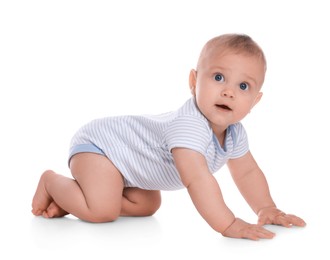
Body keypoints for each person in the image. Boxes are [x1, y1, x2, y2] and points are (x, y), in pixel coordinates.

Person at [32, 33, 306, 240]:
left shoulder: (235, 133)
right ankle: (51, 182)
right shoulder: (189, 127)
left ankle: (77, 199)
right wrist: (228, 223)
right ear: (193, 82)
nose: (228, 92)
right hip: (101, 148)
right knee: (103, 211)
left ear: (255, 101)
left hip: (127, 167)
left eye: (243, 86)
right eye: (219, 77)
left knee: (148, 204)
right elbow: (198, 180)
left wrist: (266, 207)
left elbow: (247, 172)